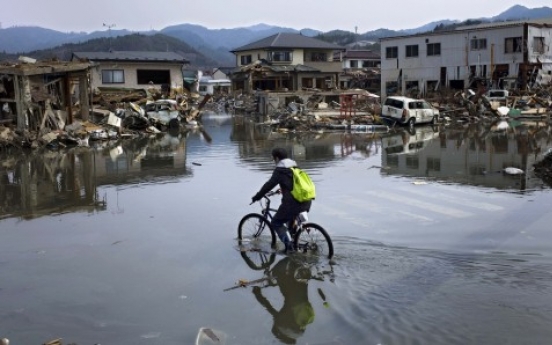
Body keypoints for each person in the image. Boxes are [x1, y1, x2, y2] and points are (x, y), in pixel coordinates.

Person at [251, 147, 312, 252]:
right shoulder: (294, 166)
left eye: (273, 158)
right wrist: (282, 188)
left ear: (277, 158)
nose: (274, 161)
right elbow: (295, 183)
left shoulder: (280, 170)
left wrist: (257, 196)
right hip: (306, 200)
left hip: (292, 204)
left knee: (276, 222)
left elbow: (269, 185)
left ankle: (290, 248)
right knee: (290, 222)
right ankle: (295, 242)